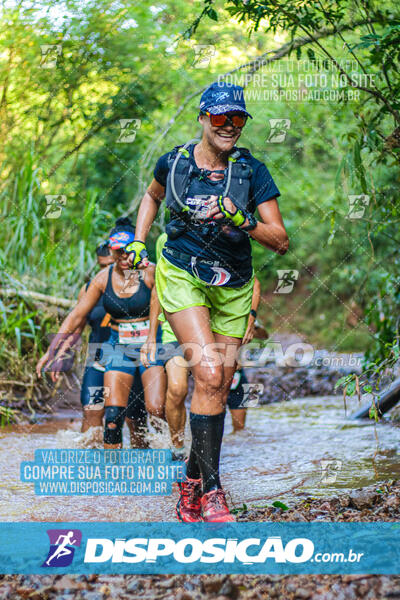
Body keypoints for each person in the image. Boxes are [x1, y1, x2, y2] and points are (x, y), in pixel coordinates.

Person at [125, 81, 288, 522]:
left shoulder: (253, 172)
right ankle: (215, 492)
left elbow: (281, 242)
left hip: (233, 284)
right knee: (209, 370)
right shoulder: (174, 163)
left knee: (215, 388)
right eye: (220, 118)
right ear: (203, 118)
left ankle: (191, 483)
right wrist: (140, 242)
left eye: (238, 119)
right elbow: (152, 196)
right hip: (182, 273)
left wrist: (243, 217)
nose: (229, 126)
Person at [38, 218, 166, 449]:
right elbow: (77, 316)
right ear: (111, 251)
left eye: (128, 252)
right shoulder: (101, 278)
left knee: (155, 409)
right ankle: (110, 473)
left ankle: (172, 456)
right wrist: (53, 349)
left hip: (150, 344)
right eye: (117, 253)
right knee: (113, 417)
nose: (124, 258)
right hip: (116, 347)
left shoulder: (150, 273)